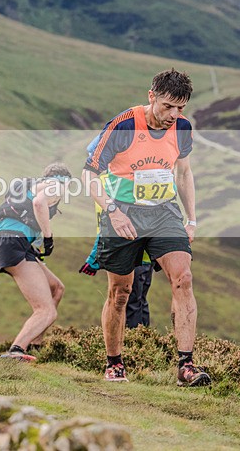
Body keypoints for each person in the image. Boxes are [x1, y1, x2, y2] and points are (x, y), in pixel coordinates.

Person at [82, 68, 211, 386]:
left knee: (184, 279)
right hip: (121, 213)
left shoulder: (182, 128)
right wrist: (112, 211)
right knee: (120, 292)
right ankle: (114, 363)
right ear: (151, 96)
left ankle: (186, 366)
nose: (173, 114)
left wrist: (191, 218)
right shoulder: (124, 125)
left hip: (163, 212)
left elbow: (183, 173)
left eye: (180, 108)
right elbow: (89, 174)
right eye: (168, 106)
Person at [0, 163, 69, 361]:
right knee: (47, 311)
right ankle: (17, 350)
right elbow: (39, 204)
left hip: (7, 241)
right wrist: (49, 237)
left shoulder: (29, 185)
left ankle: (35, 344)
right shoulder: (55, 185)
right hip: (14, 243)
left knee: (56, 288)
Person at [80, 173, 157, 329]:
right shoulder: (116, 185)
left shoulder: (108, 185)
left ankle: (137, 342)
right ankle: (136, 342)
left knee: (132, 299)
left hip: (134, 252)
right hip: (135, 252)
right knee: (134, 299)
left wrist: (94, 257)